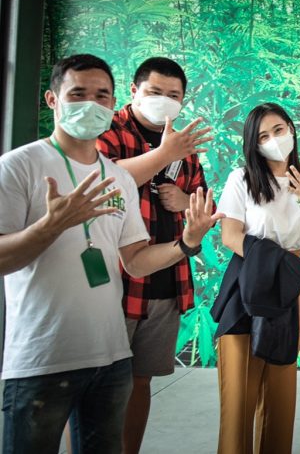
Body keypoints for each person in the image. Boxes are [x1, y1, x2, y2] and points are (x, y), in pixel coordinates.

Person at [0, 54, 222, 454]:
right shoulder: (21, 165)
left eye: (101, 95)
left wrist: (188, 239)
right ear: (52, 99)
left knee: (127, 407)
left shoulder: (120, 173)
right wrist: (50, 227)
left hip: (118, 344)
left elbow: (137, 256)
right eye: (78, 94)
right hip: (43, 355)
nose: (91, 104)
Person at [94, 57, 213, 454]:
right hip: (112, 281)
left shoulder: (182, 142)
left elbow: (204, 201)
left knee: (140, 379)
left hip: (165, 278)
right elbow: (101, 182)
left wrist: (184, 199)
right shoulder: (109, 130)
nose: (164, 100)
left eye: (173, 95)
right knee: (98, 383)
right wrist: (162, 155)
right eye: (154, 92)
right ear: (134, 91)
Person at [213, 102, 300, 454]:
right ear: (254, 144)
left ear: (291, 128)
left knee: (280, 388)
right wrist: (275, 261)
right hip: (248, 282)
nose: (274, 140)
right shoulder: (242, 179)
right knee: (239, 393)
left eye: (278, 130)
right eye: (263, 136)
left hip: (289, 289)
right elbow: (230, 236)